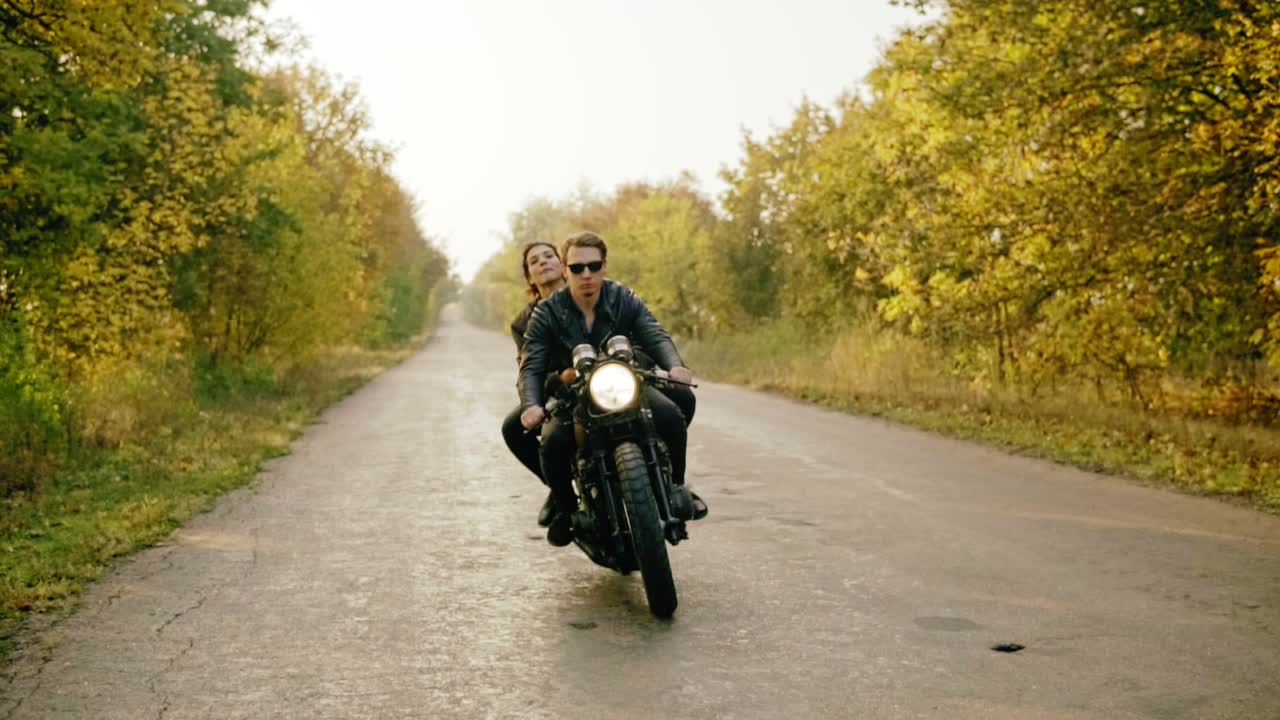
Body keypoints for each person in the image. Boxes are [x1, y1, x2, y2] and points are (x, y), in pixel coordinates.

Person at [518, 231, 706, 546]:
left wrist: (674, 365)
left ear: (604, 266)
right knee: (551, 443)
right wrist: (531, 403)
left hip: (624, 382)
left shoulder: (622, 297)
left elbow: (654, 333)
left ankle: (675, 486)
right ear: (566, 270)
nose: (586, 274)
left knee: (671, 414)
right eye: (577, 268)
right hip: (577, 394)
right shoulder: (546, 311)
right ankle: (567, 508)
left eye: (594, 266)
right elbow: (532, 363)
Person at [501, 241, 567, 528]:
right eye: (534, 261)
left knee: (675, 399)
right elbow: (528, 369)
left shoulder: (591, 294)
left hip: (609, 381)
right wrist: (555, 382)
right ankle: (560, 490)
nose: (543, 262)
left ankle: (673, 484)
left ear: (563, 263)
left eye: (549, 256)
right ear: (530, 276)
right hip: (560, 391)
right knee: (513, 428)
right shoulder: (523, 322)